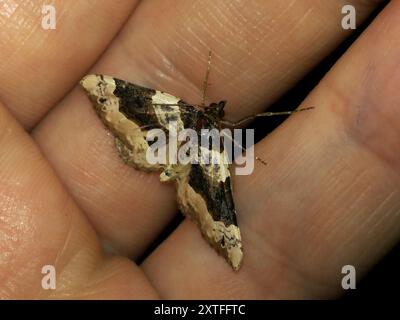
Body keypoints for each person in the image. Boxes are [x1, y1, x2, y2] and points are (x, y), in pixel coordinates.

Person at [0, 0, 397, 299]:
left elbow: (111, 88)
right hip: (198, 154)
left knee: (136, 109)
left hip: (166, 145)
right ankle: (208, 214)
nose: (218, 108)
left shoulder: (181, 110)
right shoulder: (216, 137)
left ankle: (210, 217)